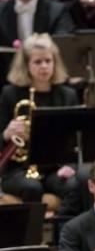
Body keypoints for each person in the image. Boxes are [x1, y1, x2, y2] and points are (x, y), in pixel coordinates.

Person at [0, 33, 77, 202]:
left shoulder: (67, 95)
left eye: (48, 61)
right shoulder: (10, 94)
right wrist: (6, 134)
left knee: (73, 185)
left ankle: (65, 229)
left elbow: (73, 142)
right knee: (31, 188)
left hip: (53, 169)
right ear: (26, 65)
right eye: (37, 62)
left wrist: (69, 166)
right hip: (16, 170)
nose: (44, 66)